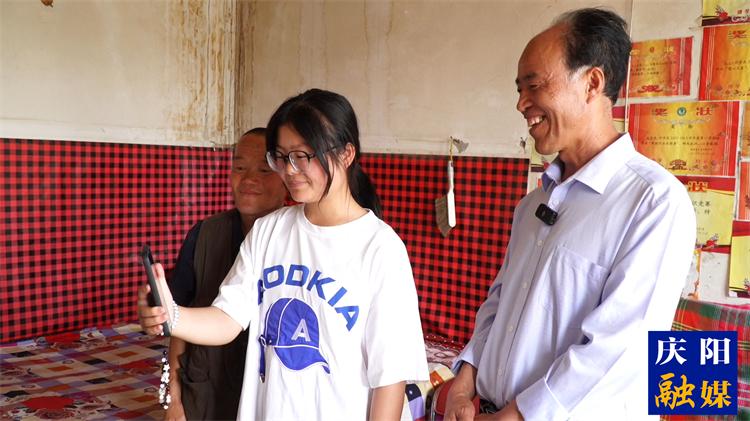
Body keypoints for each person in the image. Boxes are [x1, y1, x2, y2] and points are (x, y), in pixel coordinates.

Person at [444, 8, 696, 421]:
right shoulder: (532, 205)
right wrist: (464, 382)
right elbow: (500, 302)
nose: (521, 103)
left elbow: (620, 349)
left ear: (592, 83)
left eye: (534, 85)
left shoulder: (653, 202)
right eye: (519, 89)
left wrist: (515, 415)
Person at [139, 88, 429, 420]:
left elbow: (389, 380)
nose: (289, 170)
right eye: (281, 156)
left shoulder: (381, 248)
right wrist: (172, 315)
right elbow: (228, 319)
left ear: (346, 154)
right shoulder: (269, 231)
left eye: (302, 156)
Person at [165, 128, 287, 421]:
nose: (249, 179)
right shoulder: (204, 235)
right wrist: (173, 400)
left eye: (264, 170)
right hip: (203, 393)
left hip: (268, 400)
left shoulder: (297, 242)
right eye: (240, 168)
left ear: (287, 179)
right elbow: (180, 319)